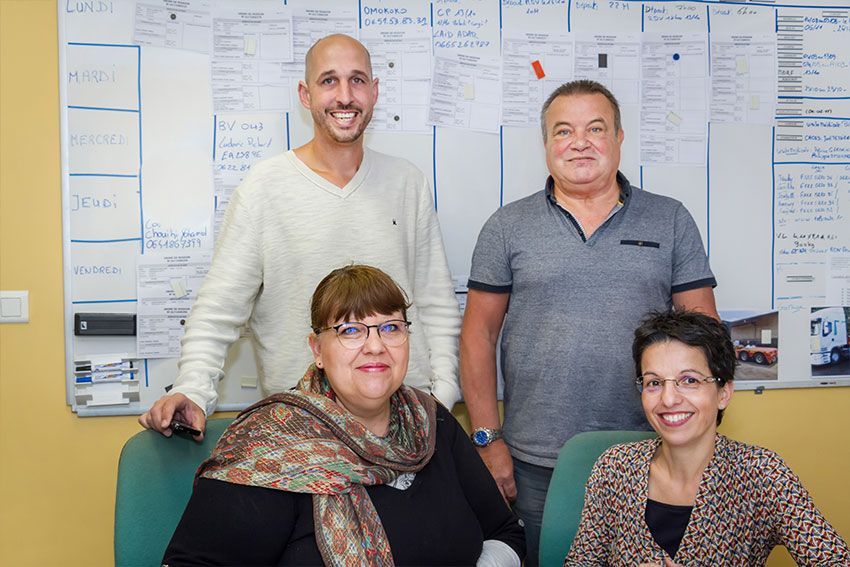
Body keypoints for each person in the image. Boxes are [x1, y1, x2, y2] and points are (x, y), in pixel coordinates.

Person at [140, 35, 460, 440]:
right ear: (305, 95)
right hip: (302, 432)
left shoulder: (407, 183)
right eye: (329, 81)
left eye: (357, 80)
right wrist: (193, 390)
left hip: (405, 428)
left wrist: (443, 395)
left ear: (375, 92)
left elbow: (436, 303)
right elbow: (219, 309)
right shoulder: (264, 188)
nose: (345, 96)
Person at [460, 79, 718, 565]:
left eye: (595, 128)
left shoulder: (671, 219)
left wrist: (698, 437)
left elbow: (705, 333)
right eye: (564, 130)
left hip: (654, 450)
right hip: (536, 463)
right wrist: (487, 441)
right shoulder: (506, 226)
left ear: (620, 138)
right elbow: (478, 335)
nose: (580, 141)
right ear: (546, 145)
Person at [162, 265, 525, 566]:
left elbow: (505, 532)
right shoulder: (269, 448)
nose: (376, 345)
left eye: (391, 327)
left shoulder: (431, 422)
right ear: (317, 349)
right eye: (350, 330)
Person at [566, 310, 849, 565]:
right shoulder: (614, 468)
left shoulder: (762, 473)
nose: (668, 399)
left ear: (723, 392)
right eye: (653, 382)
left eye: (689, 380)